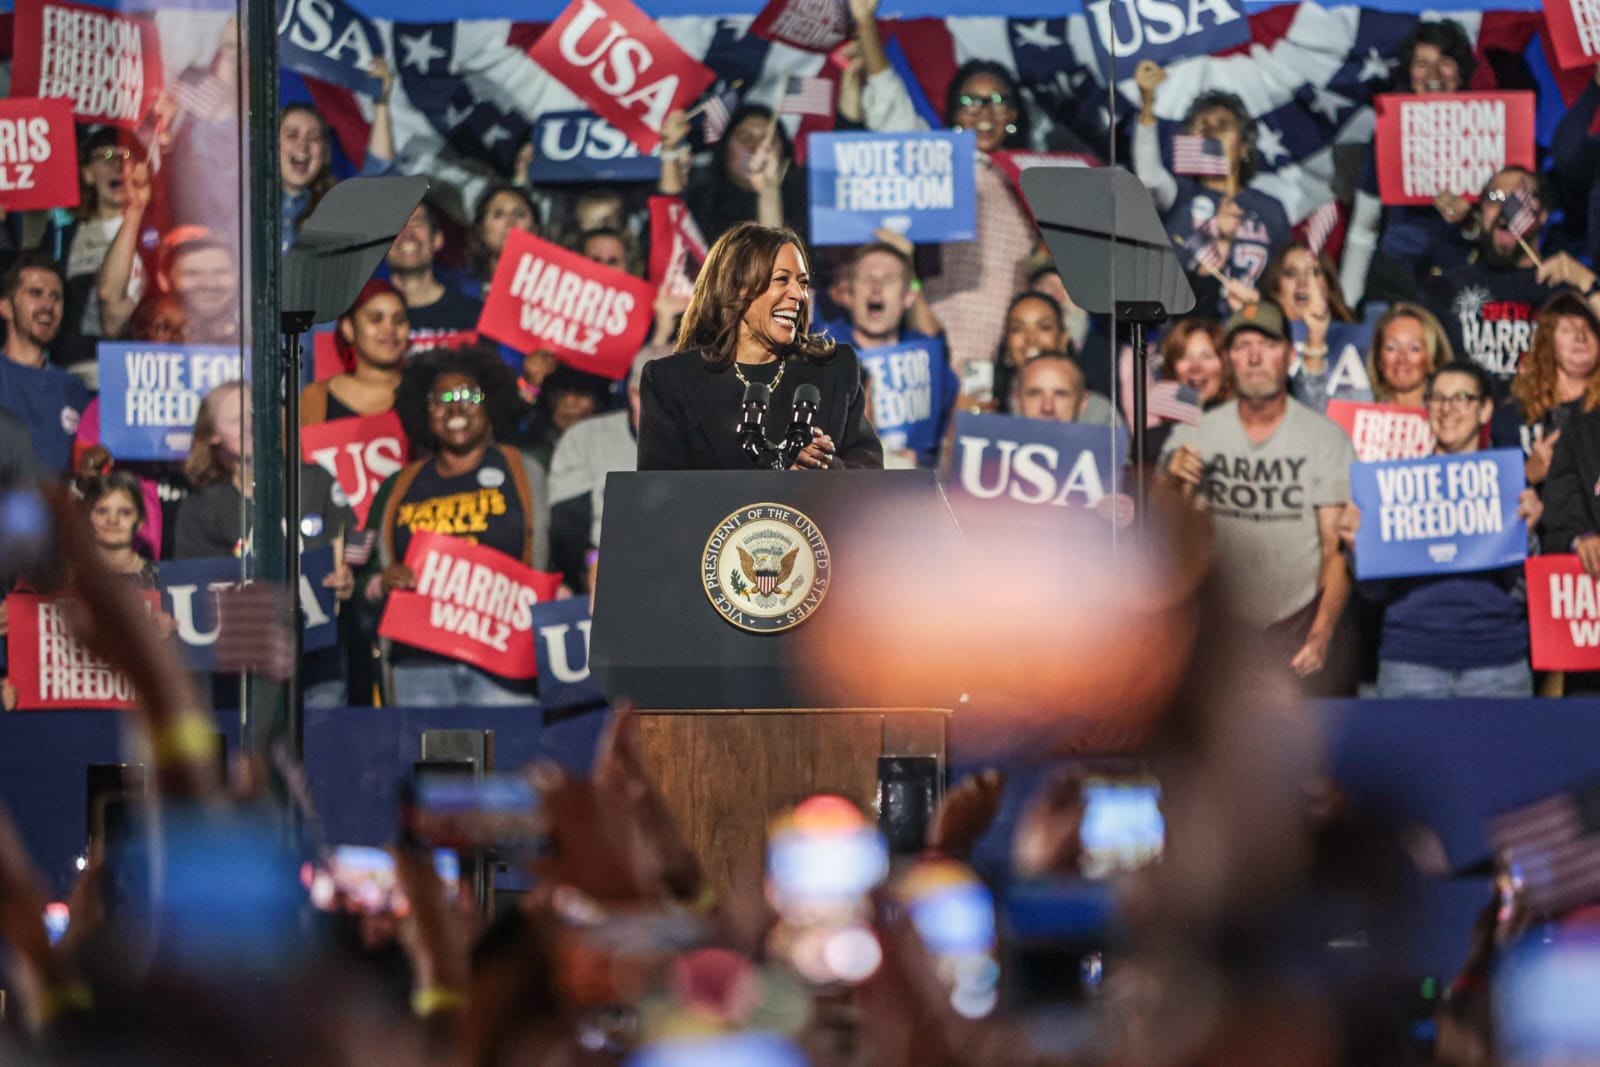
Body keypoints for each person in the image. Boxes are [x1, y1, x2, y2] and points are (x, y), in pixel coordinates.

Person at [1160, 300, 1357, 693]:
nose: (1254, 357)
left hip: (1295, 625)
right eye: (1241, 346)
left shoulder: (1325, 438)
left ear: (1288, 354)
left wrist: (1319, 636)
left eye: (1266, 344)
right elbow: (1159, 535)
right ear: (1229, 359)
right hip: (1215, 628)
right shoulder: (1195, 433)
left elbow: (1335, 550)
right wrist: (1169, 480)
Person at [363, 345, 549, 706]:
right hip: (419, 664)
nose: (456, 407)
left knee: (509, 761)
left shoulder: (526, 473)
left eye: (468, 395)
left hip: (503, 660)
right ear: (423, 412)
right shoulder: (397, 488)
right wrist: (380, 583)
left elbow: (559, 555)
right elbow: (361, 578)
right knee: (430, 763)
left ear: (490, 402)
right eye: (441, 399)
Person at [1343, 362, 1540, 697]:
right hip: (1411, 660)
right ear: (1426, 408)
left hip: (1497, 660)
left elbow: (1524, 592)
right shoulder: (1393, 487)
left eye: (1462, 397)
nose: (1448, 409)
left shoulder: (1509, 486)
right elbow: (1374, 593)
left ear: (1485, 409)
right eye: (1437, 399)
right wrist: (1358, 550)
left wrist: (1529, 537)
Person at [636, 222, 883, 471]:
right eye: (782, 280)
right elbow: (660, 494)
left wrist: (823, 466)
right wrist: (777, 471)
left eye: (803, 282)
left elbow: (868, 473)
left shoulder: (834, 369)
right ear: (737, 288)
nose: (799, 295)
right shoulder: (672, 381)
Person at [173, 381, 358, 705]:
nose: (251, 425)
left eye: (257, 415)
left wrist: (347, 577)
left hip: (317, 665)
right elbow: (196, 592)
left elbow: (350, 546)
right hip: (241, 674)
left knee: (320, 751)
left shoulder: (313, 481)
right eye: (237, 419)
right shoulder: (200, 508)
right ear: (212, 434)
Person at [1422, 166, 1600, 399]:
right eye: (1495, 197)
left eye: (1518, 200)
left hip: (1544, 420)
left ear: (1543, 214)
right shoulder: (1450, 283)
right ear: (1481, 209)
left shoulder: (1564, 288)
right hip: (1468, 422)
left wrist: (1586, 281)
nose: (1506, 209)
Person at [1340, 19, 1479, 309]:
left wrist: (1471, 220)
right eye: (1421, 63)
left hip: (1466, 284)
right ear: (1409, 72)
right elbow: (1363, 227)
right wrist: (1347, 305)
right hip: (1396, 282)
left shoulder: (1489, 124)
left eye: (1445, 62)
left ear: (1461, 71)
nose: (1433, 74)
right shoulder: (1390, 132)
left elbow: (1506, 205)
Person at [1133, 63, 1290, 314]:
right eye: (1202, 127)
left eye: (1223, 126)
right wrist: (1148, 106)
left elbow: (1283, 282)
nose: (1211, 133)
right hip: (1187, 333)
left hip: (1248, 333)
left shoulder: (1271, 210)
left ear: (1244, 147)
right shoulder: (1178, 195)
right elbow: (1148, 177)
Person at [548, 348, 667, 593]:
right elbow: (567, 530)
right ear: (635, 395)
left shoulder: (704, 440)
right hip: (605, 580)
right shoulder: (585, 438)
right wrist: (592, 562)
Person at [841, 239, 955, 467]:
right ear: (848, 294)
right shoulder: (825, 351)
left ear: (909, 297)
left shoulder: (930, 360)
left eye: (888, 280)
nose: (876, 287)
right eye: (866, 279)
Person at [658, 102, 810, 250]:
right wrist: (670, 150)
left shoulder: (805, 201)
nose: (756, 148)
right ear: (725, 149)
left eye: (767, 140)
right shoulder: (701, 200)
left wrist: (768, 191)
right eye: (746, 138)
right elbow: (669, 225)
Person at [1494, 292, 1600, 489]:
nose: (1580, 337)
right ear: (1547, 342)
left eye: (1589, 329)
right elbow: (1497, 500)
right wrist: (1528, 475)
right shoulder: (1512, 417)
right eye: (1567, 329)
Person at [0, 252, 87, 475]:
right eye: (36, 294)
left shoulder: (74, 390)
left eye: (56, 297)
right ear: (6, 307)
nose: (48, 306)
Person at [1259, 241, 1371, 412]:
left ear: (1328, 284)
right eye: (1291, 273)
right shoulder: (1256, 335)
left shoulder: (1361, 339)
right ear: (1275, 288)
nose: (1303, 282)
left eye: (1313, 272)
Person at [301, 279, 410, 427]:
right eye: (376, 320)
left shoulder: (426, 391)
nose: (389, 329)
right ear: (349, 328)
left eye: (399, 320)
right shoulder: (314, 399)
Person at [384, 201, 483, 349]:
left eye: (417, 222)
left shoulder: (475, 315)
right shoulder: (369, 320)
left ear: (437, 239)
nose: (407, 233)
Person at [1147, 317, 1229, 458]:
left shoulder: (1245, 429)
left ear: (1225, 364)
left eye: (1206, 356)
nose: (1195, 366)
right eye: (1184, 356)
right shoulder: (1153, 441)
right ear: (1172, 367)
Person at [78, 469, 161, 589]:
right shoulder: (69, 579)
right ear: (87, 517)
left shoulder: (161, 578)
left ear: (140, 521)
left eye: (125, 512)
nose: (113, 520)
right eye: (102, 511)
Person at [1367, 303, 1452, 409]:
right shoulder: (1353, 405)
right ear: (1378, 359)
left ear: (1434, 359)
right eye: (1391, 348)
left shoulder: (1452, 414)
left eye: (1414, 349)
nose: (1402, 358)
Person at [465, 184, 538, 298]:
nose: (510, 222)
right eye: (498, 215)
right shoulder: (459, 288)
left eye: (519, 215)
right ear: (481, 229)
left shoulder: (556, 293)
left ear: (534, 229)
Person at [1011, 353, 1121, 427]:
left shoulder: (1110, 459)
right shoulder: (994, 456)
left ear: (1083, 401)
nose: (1048, 408)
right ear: (1017, 400)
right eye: (1035, 393)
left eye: (1060, 394)